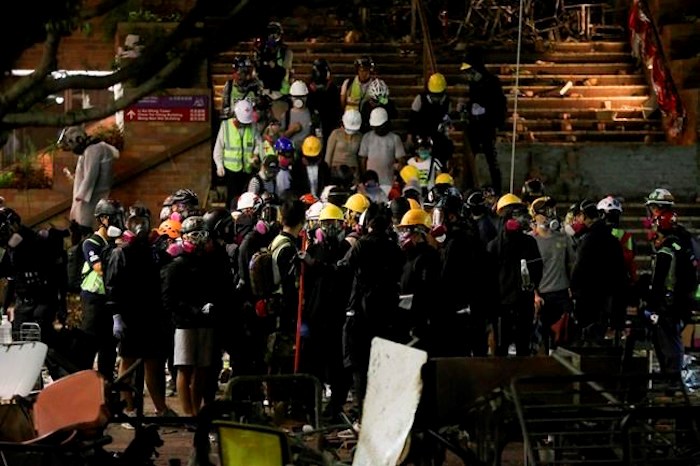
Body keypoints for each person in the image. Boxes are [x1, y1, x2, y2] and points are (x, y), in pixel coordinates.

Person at [105, 204, 176, 418]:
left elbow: (164, 277)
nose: (140, 228)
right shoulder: (120, 253)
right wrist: (116, 315)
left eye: (143, 222)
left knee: (153, 363)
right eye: (135, 223)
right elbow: (112, 285)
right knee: (127, 363)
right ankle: (128, 408)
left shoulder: (154, 253)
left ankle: (160, 407)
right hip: (130, 316)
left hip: (152, 315)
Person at [161, 216, 227, 417]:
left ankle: (196, 411)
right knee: (184, 368)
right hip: (185, 323)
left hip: (204, 322)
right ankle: (188, 412)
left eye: (202, 234)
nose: (199, 239)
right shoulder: (176, 265)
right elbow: (168, 298)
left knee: (203, 368)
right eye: (194, 234)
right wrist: (194, 310)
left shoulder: (209, 262)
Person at [0, 208, 68, 363]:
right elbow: (10, 277)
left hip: (42, 301)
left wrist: (61, 304)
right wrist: (5, 308)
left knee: (37, 345)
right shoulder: (11, 250)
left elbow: (59, 275)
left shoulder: (39, 240)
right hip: (23, 303)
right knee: (21, 346)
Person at [487, 194, 543, 356]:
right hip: (508, 305)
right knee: (510, 347)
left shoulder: (497, 245)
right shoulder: (496, 245)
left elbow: (537, 269)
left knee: (514, 347)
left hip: (514, 303)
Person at [645, 209, 697, 377]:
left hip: (668, 307)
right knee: (673, 341)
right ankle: (672, 380)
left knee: (669, 345)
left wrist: (652, 306)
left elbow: (658, 283)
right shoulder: (681, 247)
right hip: (681, 304)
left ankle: (672, 381)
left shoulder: (665, 252)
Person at [569, 199, 628, 345]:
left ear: (584, 216)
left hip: (590, 298)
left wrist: (573, 288)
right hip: (608, 297)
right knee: (599, 336)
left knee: (589, 338)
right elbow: (621, 271)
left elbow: (579, 268)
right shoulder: (612, 239)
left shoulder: (588, 239)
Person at [78, 198, 125, 380]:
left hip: (110, 299)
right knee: (89, 343)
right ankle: (82, 382)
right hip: (93, 300)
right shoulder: (91, 243)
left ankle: (106, 385)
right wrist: (115, 251)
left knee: (109, 345)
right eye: (114, 218)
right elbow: (99, 268)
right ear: (103, 219)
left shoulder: (115, 243)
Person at [528, 196, 575, 353]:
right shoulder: (530, 240)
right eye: (545, 211)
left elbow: (571, 264)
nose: (550, 215)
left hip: (561, 294)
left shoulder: (563, 238)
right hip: (541, 297)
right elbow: (525, 272)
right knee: (541, 341)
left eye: (552, 210)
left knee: (563, 341)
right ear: (536, 216)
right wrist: (534, 295)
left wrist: (571, 289)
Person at [460, 48, 507, 194]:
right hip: (474, 126)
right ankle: (467, 188)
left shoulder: (492, 82)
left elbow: (499, 105)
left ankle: (497, 189)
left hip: (487, 126)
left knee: (491, 160)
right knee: (469, 158)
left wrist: (487, 114)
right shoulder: (473, 84)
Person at [58, 125, 119, 236]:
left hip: (90, 199)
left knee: (84, 229)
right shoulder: (95, 148)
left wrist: (80, 196)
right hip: (92, 198)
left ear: (78, 139)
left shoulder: (93, 150)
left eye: (71, 143)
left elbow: (91, 175)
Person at [213, 99, 264, 210]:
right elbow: (218, 148)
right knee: (233, 200)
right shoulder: (225, 126)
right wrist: (219, 165)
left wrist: (255, 155)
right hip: (231, 171)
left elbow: (259, 144)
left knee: (248, 199)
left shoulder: (252, 126)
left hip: (247, 170)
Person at [407, 72, 454, 169]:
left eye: (439, 95)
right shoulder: (420, 99)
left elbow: (447, 119)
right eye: (434, 95)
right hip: (421, 135)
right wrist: (410, 135)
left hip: (438, 136)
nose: (436, 98)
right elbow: (412, 118)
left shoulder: (447, 101)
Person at [358, 107, 406, 196]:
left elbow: (401, 160)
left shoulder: (395, 138)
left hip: (388, 182)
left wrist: (398, 174)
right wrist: (364, 178)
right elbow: (362, 160)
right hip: (370, 183)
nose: (378, 129)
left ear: (387, 124)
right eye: (375, 127)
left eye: (380, 127)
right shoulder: (367, 137)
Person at [306, 58, 342, 147]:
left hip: (328, 123)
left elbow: (336, 108)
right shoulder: (309, 88)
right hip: (313, 121)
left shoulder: (332, 88)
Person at [253, 21, 293, 98]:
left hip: (280, 92)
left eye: (274, 34)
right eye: (269, 34)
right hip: (264, 91)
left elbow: (285, 71)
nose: (271, 37)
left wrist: (273, 65)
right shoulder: (261, 51)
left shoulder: (285, 51)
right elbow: (256, 72)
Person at [325, 109, 363, 188]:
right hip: (335, 171)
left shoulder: (360, 136)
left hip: (353, 172)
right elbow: (328, 156)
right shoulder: (335, 134)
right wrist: (326, 174)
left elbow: (360, 157)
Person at [281, 80, 319, 152]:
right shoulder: (286, 115)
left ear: (306, 97)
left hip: (309, 152)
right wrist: (291, 131)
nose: (299, 100)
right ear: (291, 97)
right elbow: (280, 139)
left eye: (302, 97)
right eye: (295, 97)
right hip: (291, 153)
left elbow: (319, 136)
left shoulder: (313, 114)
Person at [220, 55, 263, 120]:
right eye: (243, 71)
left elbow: (261, 107)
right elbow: (225, 108)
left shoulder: (256, 85)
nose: (246, 75)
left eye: (248, 71)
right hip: (235, 123)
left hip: (252, 123)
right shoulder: (229, 85)